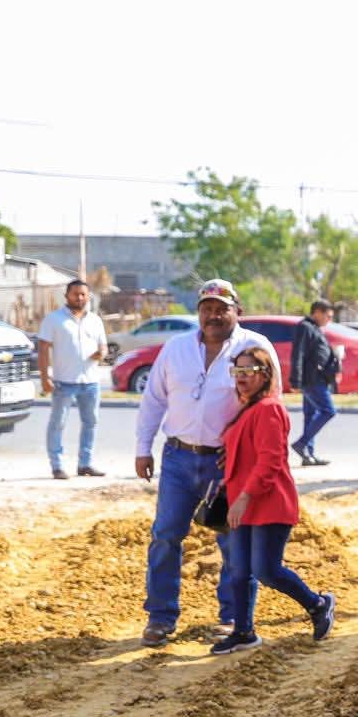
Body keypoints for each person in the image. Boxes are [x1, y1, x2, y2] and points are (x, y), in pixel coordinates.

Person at [135, 279, 282, 648]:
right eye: (207, 309)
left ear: (237, 311)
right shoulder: (176, 348)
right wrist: (142, 447)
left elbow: (270, 402)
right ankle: (160, 617)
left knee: (234, 541)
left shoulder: (255, 347)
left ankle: (233, 618)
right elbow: (154, 399)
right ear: (198, 312)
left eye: (222, 309)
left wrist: (247, 448)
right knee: (166, 535)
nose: (214, 315)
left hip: (228, 464)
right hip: (178, 457)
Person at [211, 347, 336, 654]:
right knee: (239, 570)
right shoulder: (247, 408)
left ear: (265, 374)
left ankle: (318, 604)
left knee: (266, 570)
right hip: (242, 502)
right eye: (237, 371)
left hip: (268, 503)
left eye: (248, 371)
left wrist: (244, 497)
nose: (241, 378)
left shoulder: (269, 408)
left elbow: (271, 460)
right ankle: (243, 632)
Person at [37, 279, 108, 480]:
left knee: (91, 423)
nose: (80, 298)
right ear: (66, 296)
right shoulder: (54, 319)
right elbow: (43, 349)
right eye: (75, 294)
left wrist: (101, 353)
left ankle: (85, 464)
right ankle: (57, 466)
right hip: (63, 382)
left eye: (83, 294)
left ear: (88, 296)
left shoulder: (95, 320)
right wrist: (44, 378)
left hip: (91, 381)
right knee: (58, 424)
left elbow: (103, 346)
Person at [289, 298, 341, 467]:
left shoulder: (315, 328)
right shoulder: (305, 327)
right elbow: (298, 354)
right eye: (328, 316)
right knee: (328, 411)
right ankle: (302, 443)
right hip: (311, 380)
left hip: (319, 378)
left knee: (310, 415)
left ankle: (308, 455)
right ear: (317, 312)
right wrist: (295, 380)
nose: (329, 320)